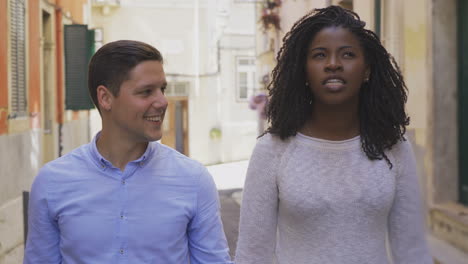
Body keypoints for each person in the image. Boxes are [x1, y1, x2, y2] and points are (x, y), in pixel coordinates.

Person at [235, 6, 432, 264]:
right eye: (319, 55)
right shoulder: (273, 149)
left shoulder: (393, 146)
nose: (333, 64)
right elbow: (252, 254)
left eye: (348, 54)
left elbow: (412, 251)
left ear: (367, 70)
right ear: (303, 71)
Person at [24, 40, 232, 263]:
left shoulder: (194, 180)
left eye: (162, 89)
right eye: (146, 92)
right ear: (105, 98)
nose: (162, 102)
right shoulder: (51, 183)